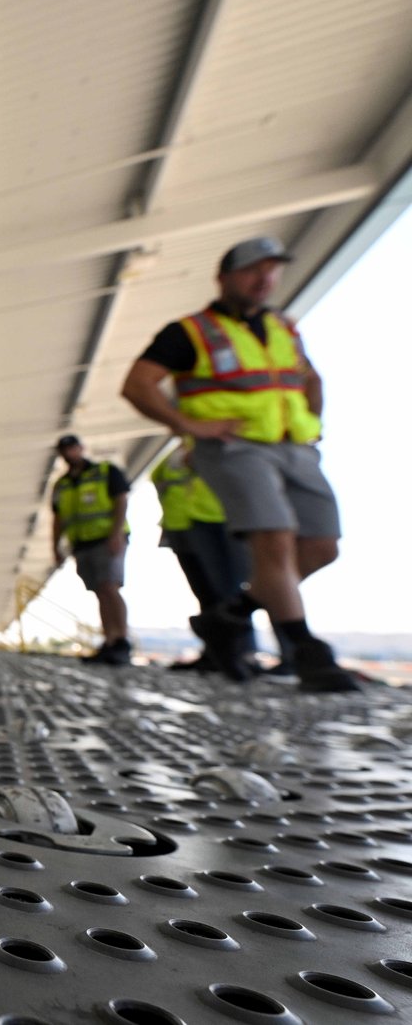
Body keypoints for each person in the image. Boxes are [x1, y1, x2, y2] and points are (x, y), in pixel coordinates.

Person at [120, 236, 358, 693]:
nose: (264, 279)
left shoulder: (284, 329)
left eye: (272, 269)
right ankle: (306, 650)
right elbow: (138, 384)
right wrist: (187, 424)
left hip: (295, 446)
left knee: (323, 546)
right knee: (275, 541)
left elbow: (310, 378)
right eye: (253, 269)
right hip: (234, 445)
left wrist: (313, 423)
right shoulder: (188, 332)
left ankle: (231, 614)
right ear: (224, 276)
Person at [150, 442, 256, 675]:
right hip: (181, 526)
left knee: (228, 590)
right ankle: (216, 653)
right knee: (206, 593)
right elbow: (161, 485)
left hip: (217, 522)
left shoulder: (216, 443)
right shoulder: (171, 457)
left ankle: (243, 655)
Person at [50, 434, 131, 665]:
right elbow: (58, 519)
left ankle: (121, 639)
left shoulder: (105, 471)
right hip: (82, 543)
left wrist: (116, 533)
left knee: (110, 586)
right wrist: (55, 546)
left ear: (81, 448)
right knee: (99, 590)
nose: (69, 453)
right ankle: (110, 639)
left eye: (72, 448)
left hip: (106, 539)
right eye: (64, 450)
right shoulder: (62, 484)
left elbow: (121, 500)